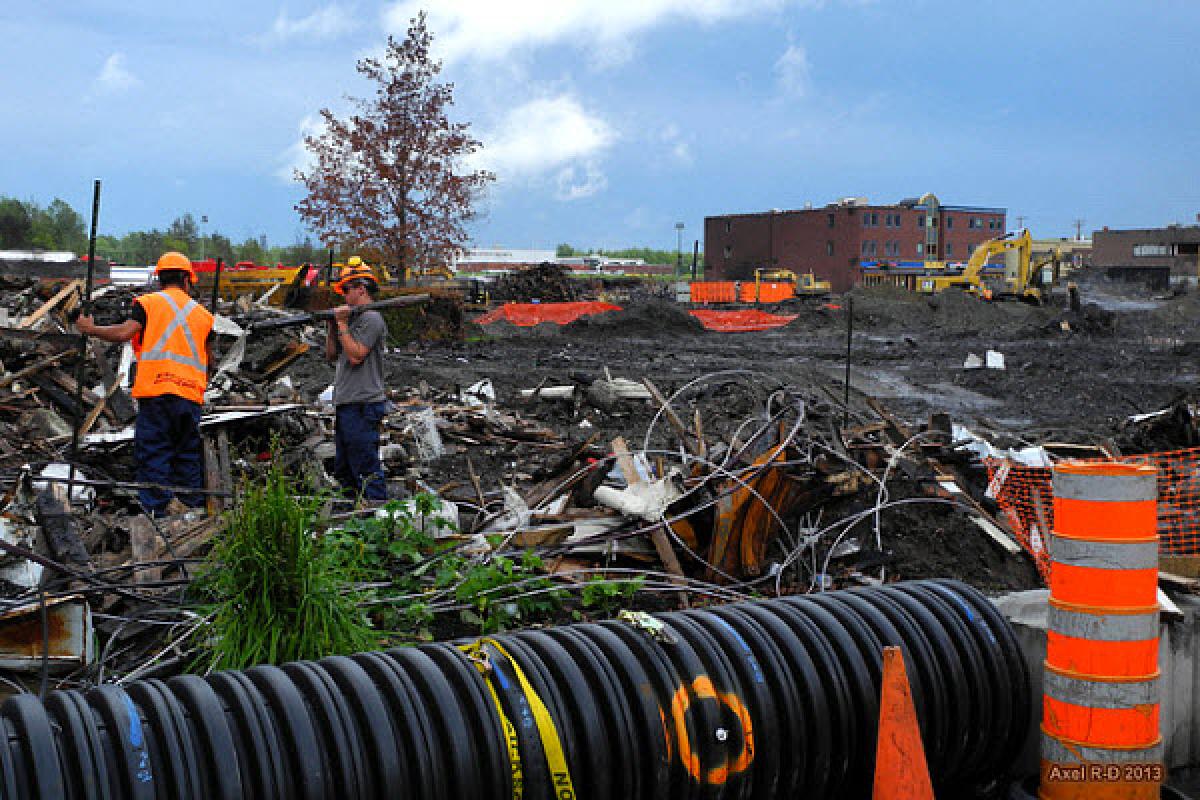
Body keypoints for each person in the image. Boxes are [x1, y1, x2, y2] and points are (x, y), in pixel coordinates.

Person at [75, 251, 215, 516]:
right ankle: (193, 511)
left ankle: (156, 515)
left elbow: (124, 333)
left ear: (160, 278)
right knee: (186, 454)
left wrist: (91, 329)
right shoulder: (204, 315)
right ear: (187, 279)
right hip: (190, 395)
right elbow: (210, 360)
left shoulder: (148, 303)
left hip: (158, 391)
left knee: (154, 451)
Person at [324, 256, 389, 503]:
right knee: (345, 467)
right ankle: (352, 513)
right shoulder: (349, 320)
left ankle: (378, 512)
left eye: (347, 290)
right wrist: (333, 328)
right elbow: (331, 355)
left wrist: (341, 324)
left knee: (365, 464)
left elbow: (356, 355)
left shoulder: (372, 318)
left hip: (363, 403)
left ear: (361, 289)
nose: (344, 296)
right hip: (347, 402)